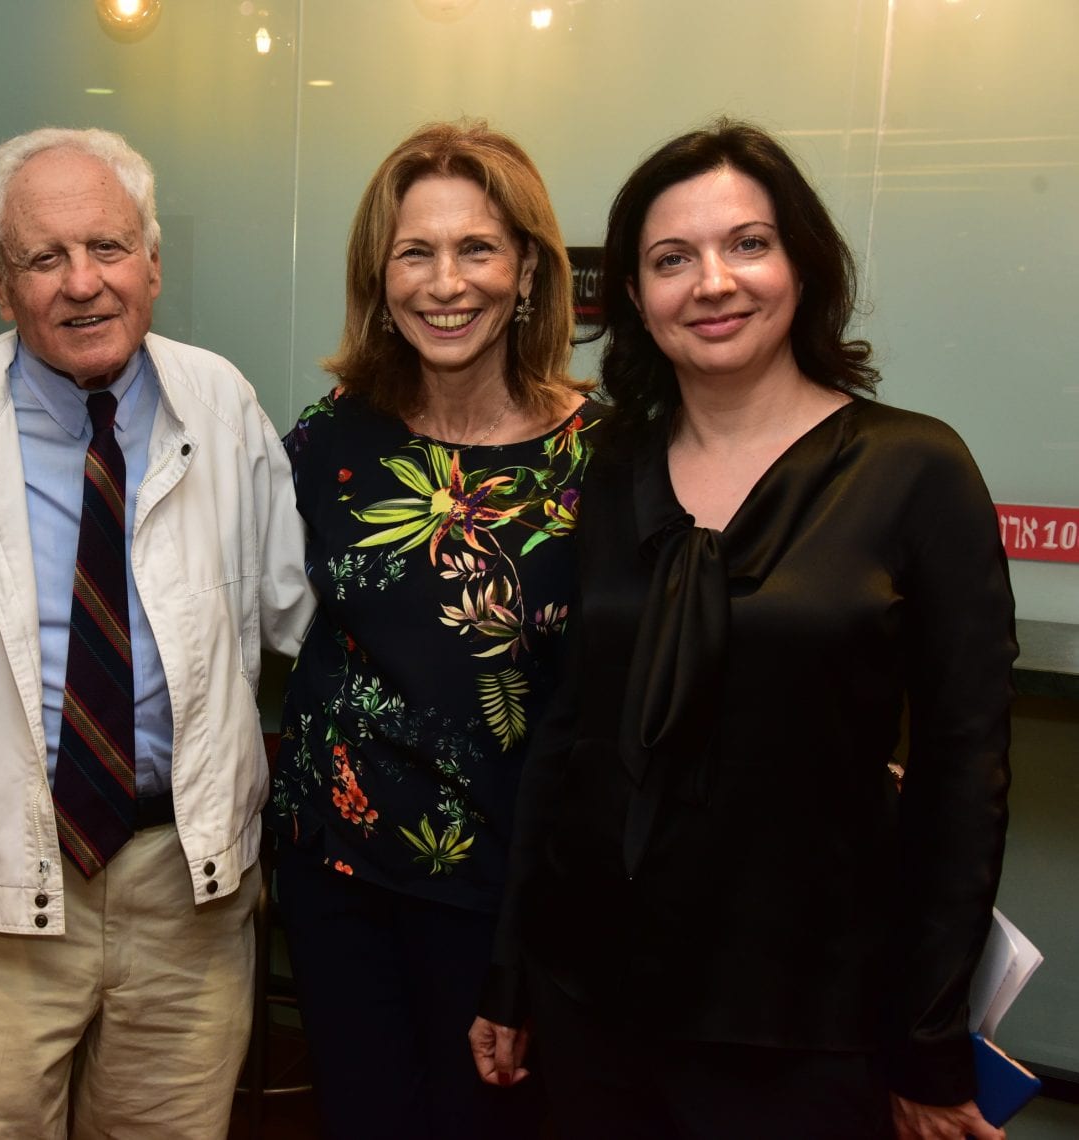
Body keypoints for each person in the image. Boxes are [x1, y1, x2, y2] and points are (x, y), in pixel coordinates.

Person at [470, 120, 1016, 1140]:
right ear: (633, 298)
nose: (711, 282)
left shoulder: (915, 471)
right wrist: (510, 972)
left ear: (802, 263)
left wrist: (928, 1038)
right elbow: (568, 737)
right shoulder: (614, 471)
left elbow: (962, 782)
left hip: (808, 1026)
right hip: (594, 1006)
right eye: (671, 260)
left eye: (747, 244)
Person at [0, 127, 313, 1139]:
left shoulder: (223, 406)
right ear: (1, 282)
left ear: (153, 258)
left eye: (105, 247)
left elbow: (298, 616)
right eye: (43, 257)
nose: (81, 282)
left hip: (184, 894)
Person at [272, 120, 596, 1138]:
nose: (444, 282)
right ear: (381, 275)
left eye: (477, 249)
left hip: (500, 895)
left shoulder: (605, 458)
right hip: (334, 877)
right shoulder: (332, 437)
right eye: (416, 251)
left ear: (528, 273)